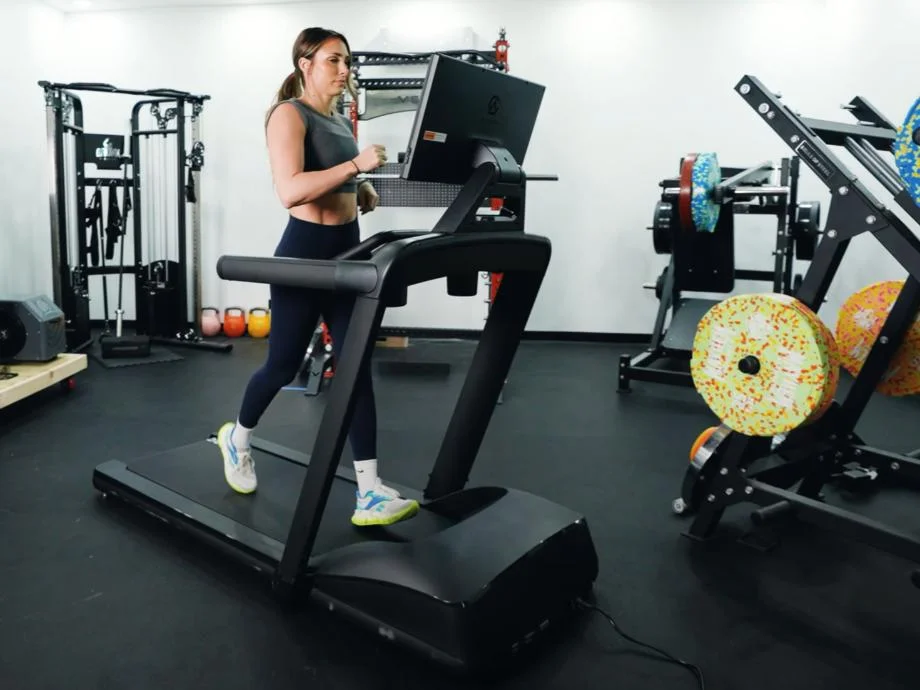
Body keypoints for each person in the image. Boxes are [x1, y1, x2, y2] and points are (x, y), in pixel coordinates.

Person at [215, 27, 419, 528]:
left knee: (355, 370)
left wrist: (362, 191)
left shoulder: (340, 122)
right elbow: (290, 190)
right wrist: (357, 163)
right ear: (306, 64)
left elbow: (337, 184)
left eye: (347, 61)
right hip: (304, 256)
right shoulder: (289, 115)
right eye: (334, 60)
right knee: (282, 366)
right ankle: (237, 438)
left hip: (348, 255)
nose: (344, 69)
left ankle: (369, 491)